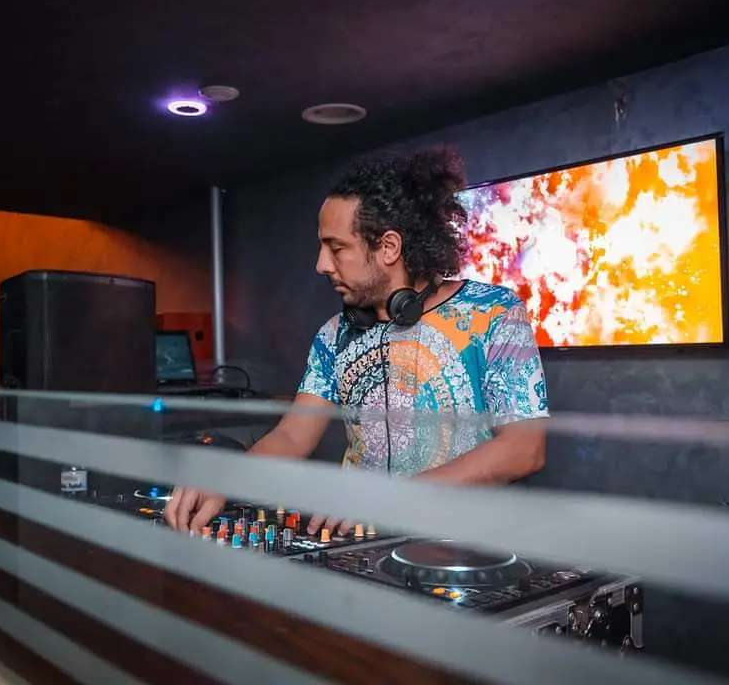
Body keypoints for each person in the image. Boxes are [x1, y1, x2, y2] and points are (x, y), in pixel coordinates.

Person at [164, 147, 549, 536]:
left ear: (388, 247)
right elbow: (292, 436)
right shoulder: (334, 334)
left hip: (465, 547)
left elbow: (524, 448)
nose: (321, 264)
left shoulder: (493, 312)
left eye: (336, 248)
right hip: (361, 545)